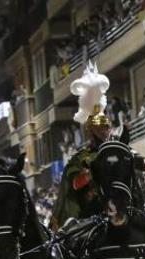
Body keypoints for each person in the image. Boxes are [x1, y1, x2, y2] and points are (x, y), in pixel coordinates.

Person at [51, 63, 113, 229]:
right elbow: (75, 183)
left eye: (106, 127)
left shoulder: (117, 150)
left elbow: (132, 158)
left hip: (120, 205)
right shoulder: (81, 157)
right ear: (91, 131)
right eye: (100, 128)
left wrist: (144, 163)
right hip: (91, 214)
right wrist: (91, 173)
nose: (104, 131)